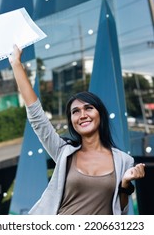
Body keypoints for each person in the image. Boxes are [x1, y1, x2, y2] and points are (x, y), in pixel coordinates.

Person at [9, 45, 145, 215]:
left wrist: (125, 184)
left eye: (88, 108)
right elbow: (37, 117)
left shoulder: (124, 161)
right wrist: (16, 64)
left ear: (100, 114)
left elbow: (121, 211)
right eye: (75, 111)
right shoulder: (64, 153)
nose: (82, 115)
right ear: (72, 121)